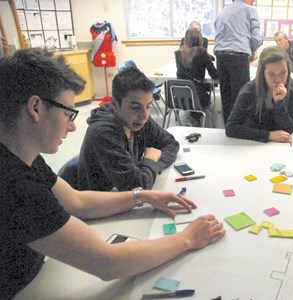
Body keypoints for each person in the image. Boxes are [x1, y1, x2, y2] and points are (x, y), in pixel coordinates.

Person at [0, 48, 225, 299]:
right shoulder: (14, 183)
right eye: (68, 113)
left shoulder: (22, 154)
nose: (73, 125)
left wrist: (143, 196)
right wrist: (187, 239)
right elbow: (107, 263)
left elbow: (77, 200)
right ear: (35, 107)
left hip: (39, 275)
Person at [77, 66, 180, 191]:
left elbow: (171, 143)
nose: (144, 116)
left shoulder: (138, 121)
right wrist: (150, 160)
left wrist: (150, 168)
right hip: (103, 206)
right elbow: (137, 187)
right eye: (136, 108)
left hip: (124, 201)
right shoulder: (103, 133)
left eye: (148, 106)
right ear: (115, 104)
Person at [225, 46, 293, 143]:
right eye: (271, 74)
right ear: (262, 73)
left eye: (283, 73)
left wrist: (279, 103)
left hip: (278, 145)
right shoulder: (249, 91)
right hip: (251, 143)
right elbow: (231, 128)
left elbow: (289, 129)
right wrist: (268, 135)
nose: (278, 80)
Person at [214, 0, 263, 124]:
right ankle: (239, 128)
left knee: (226, 97)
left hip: (221, 57)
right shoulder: (249, 10)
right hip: (238, 57)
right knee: (242, 96)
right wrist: (252, 51)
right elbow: (256, 38)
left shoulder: (223, 12)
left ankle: (228, 127)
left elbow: (218, 32)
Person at [175, 28, 218, 126]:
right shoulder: (202, 52)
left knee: (193, 95)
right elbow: (214, 74)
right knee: (205, 99)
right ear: (200, 39)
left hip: (179, 97)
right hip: (198, 96)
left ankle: (192, 120)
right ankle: (193, 120)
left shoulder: (178, 53)